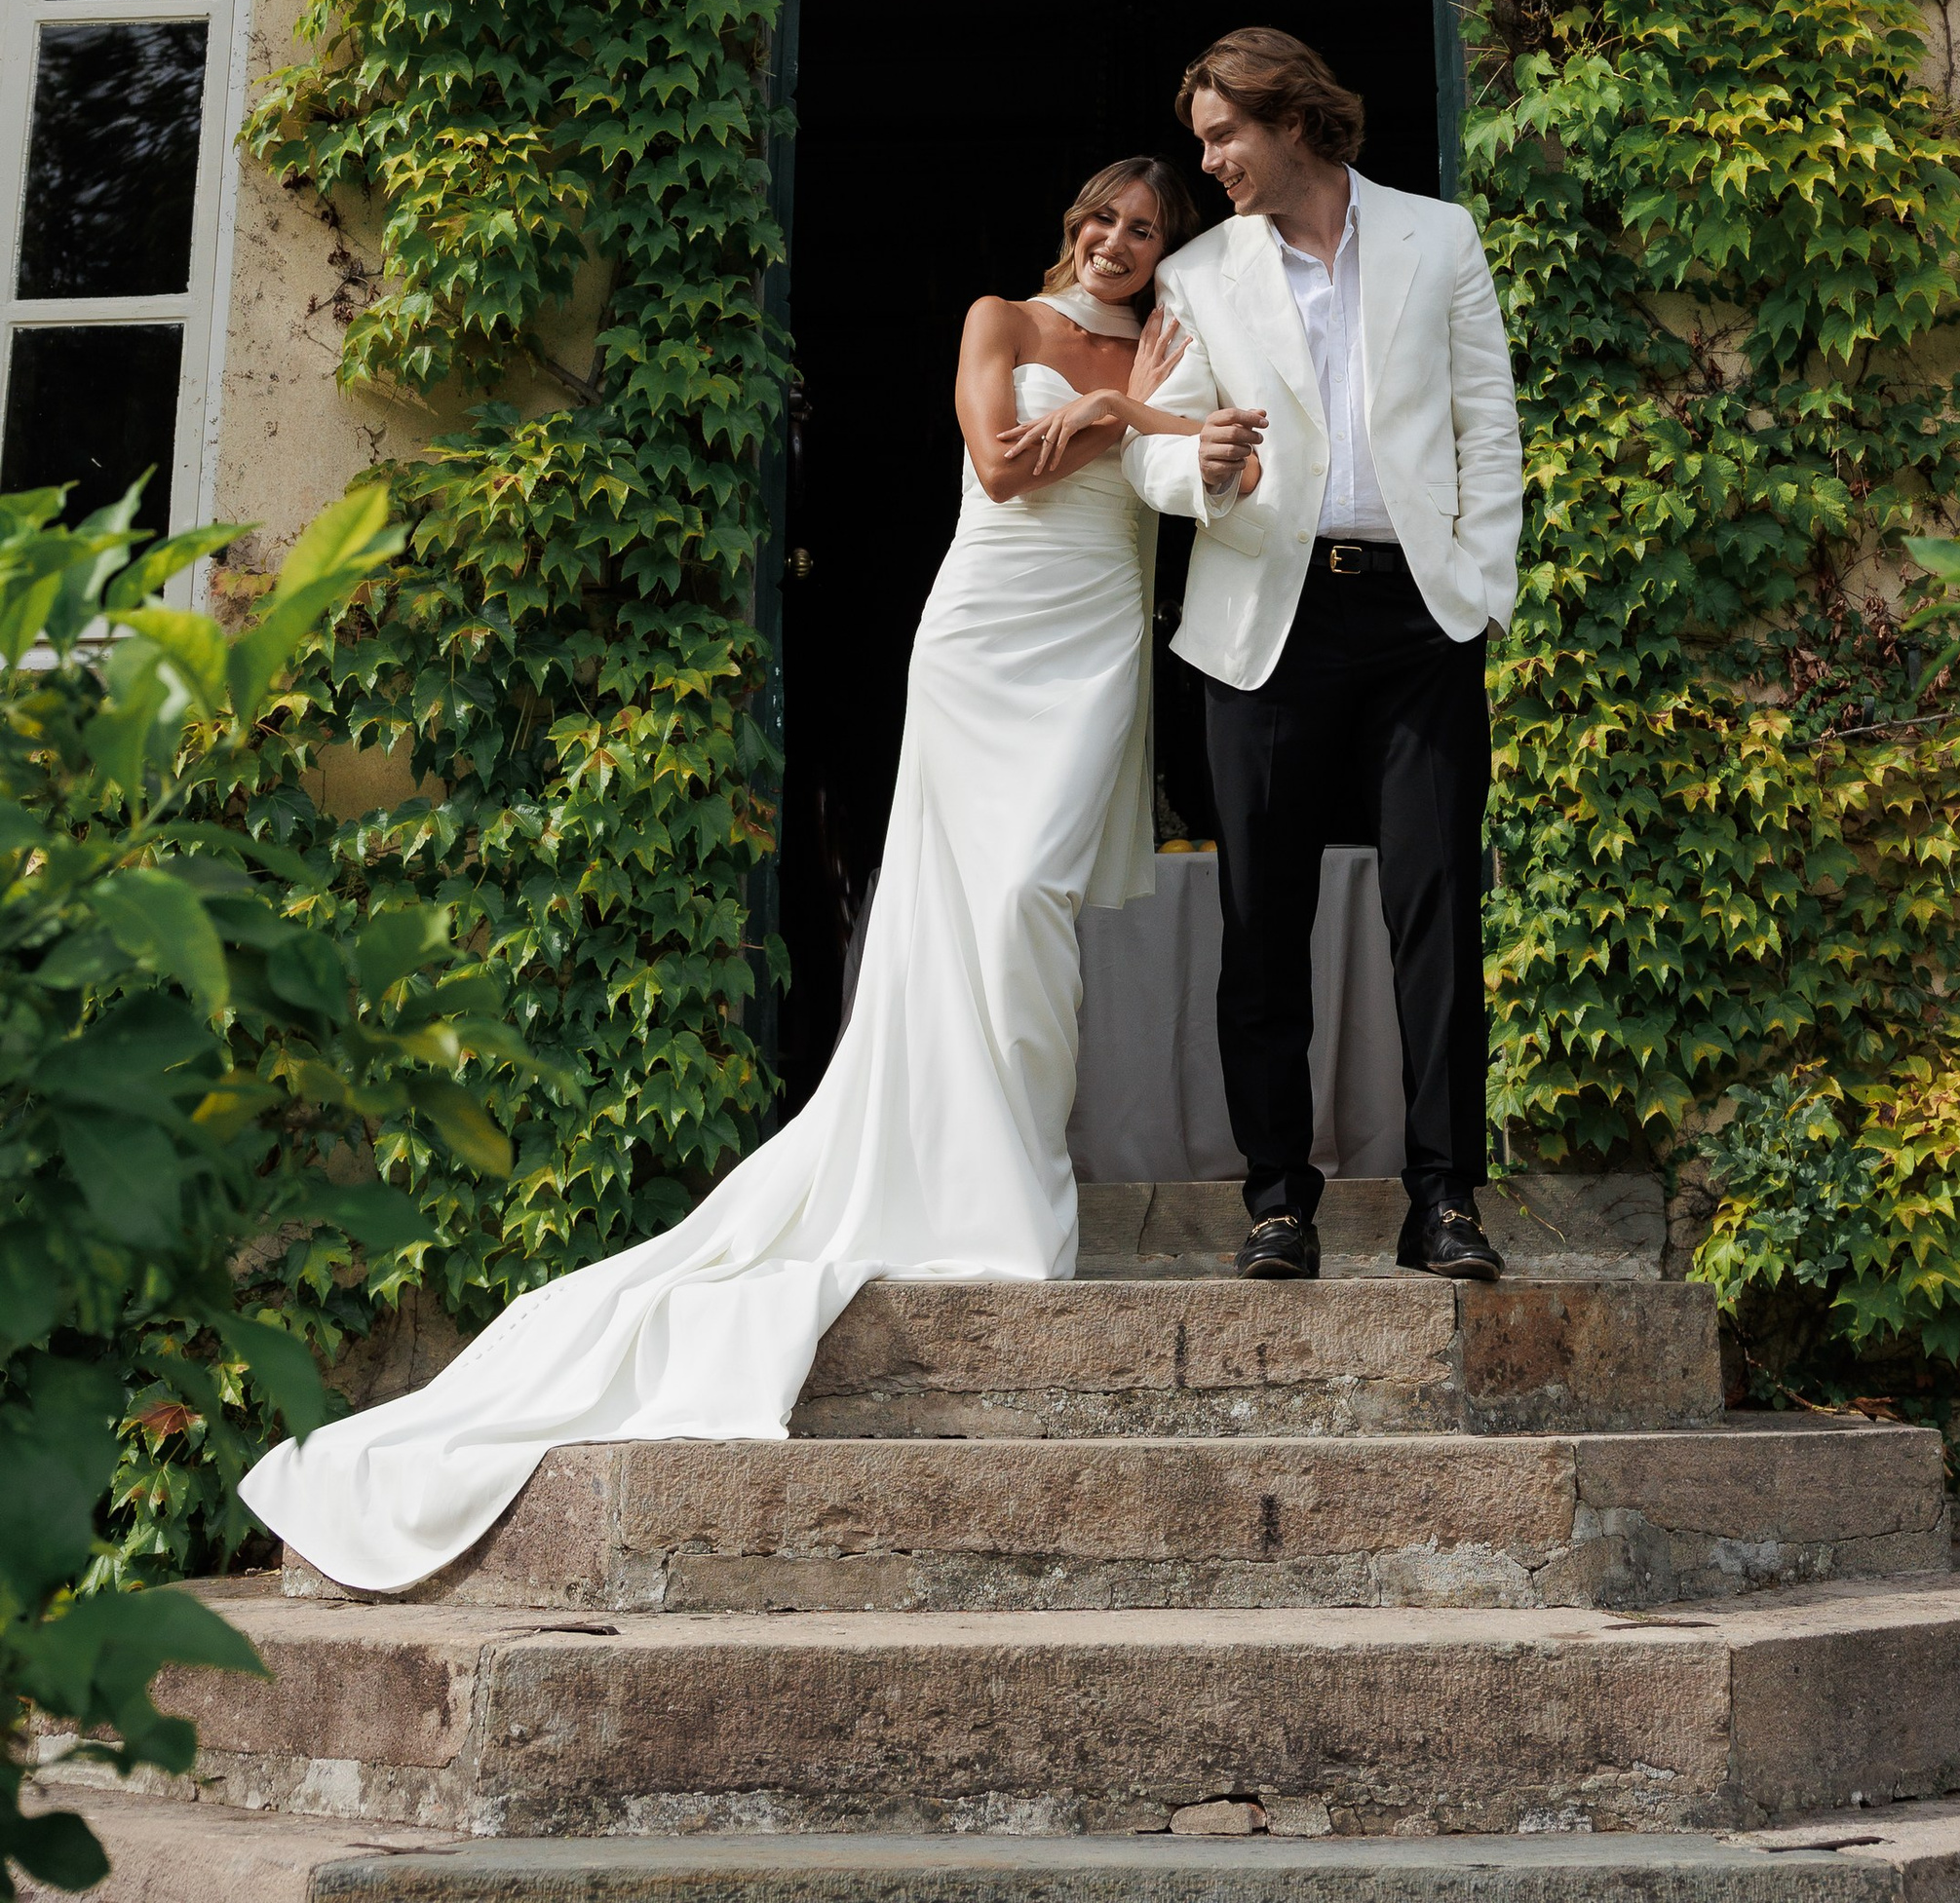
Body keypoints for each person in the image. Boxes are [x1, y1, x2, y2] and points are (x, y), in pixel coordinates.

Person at [240, 156, 1263, 1594]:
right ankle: (983, 1190)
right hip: (985, 631)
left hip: (1096, 634)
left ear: (1165, 251)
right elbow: (995, 464)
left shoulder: (1162, 345)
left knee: (1032, 902)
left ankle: (1013, 1182)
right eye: (1103, 218)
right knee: (968, 903)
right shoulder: (1003, 321)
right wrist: (1113, 413)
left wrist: (1153, 429)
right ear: (1072, 226)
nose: (1118, 242)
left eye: (1145, 230)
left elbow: (1170, 471)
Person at [1122, 29, 1524, 1284]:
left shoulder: (1439, 238)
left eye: (1222, 136)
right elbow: (1148, 443)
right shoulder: (1195, 273)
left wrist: (1484, 585)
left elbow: (1487, 420)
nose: (1208, 162)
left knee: (1438, 906)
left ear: (1292, 119)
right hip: (1263, 622)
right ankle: (1276, 1203)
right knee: (1262, 918)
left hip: (1418, 619)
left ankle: (1445, 1201)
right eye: (1201, 140)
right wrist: (1198, 466)